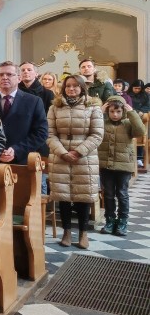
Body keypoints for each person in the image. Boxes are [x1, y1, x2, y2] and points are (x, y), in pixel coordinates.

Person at [47, 74, 103, 250]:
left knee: (82, 197)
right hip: (60, 156)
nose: (71, 89)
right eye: (68, 86)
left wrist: (78, 152)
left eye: (75, 86)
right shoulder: (55, 107)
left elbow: (97, 134)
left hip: (85, 157)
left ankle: (83, 234)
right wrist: (63, 152)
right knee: (63, 197)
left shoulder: (93, 107)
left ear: (82, 88)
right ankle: (66, 232)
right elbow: (49, 134)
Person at [98, 96, 145, 236]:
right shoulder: (102, 122)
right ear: (108, 111)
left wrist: (132, 112)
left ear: (123, 111)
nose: (115, 115)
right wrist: (99, 112)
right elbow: (89, 126)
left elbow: (141, 131)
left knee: (122, 194)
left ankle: (122, 221)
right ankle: (110, 220)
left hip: (124, 165)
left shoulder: (128, 123)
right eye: (112, 111)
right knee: (108, 194)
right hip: (106, 164)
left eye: (118, 111)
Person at [0, 61, 49, 165]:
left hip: (23, 160)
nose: (4, 77)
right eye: (0, 75)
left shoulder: (33, 101)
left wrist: (16, 150)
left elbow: (41, 133)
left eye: (9, 74)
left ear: (19, 78)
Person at [129, 79, 150, 167]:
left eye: (139, 89)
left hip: (141, 119)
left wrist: (142, 111)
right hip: (129, 117)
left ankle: (139, 158)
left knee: (140, 136)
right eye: (135, 88)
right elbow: (127, 104)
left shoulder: (145, 95)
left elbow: (148, 105)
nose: (137, 90)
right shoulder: (128, 94)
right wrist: (136, 111)